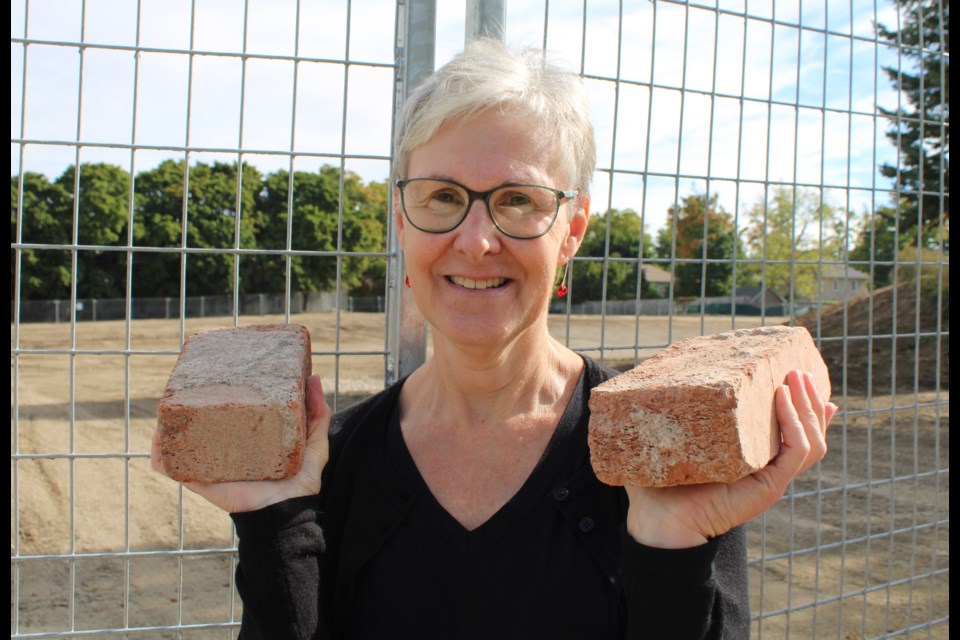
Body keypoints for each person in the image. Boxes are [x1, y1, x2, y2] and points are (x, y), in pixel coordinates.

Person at [152, 38, 837, 639]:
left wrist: (671, 545)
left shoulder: (661, 451)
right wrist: (276, 523)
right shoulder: (333, 471)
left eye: (517, 200)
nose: (476, 241)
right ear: (401, 219)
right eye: (442, 197)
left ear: (571, 231)